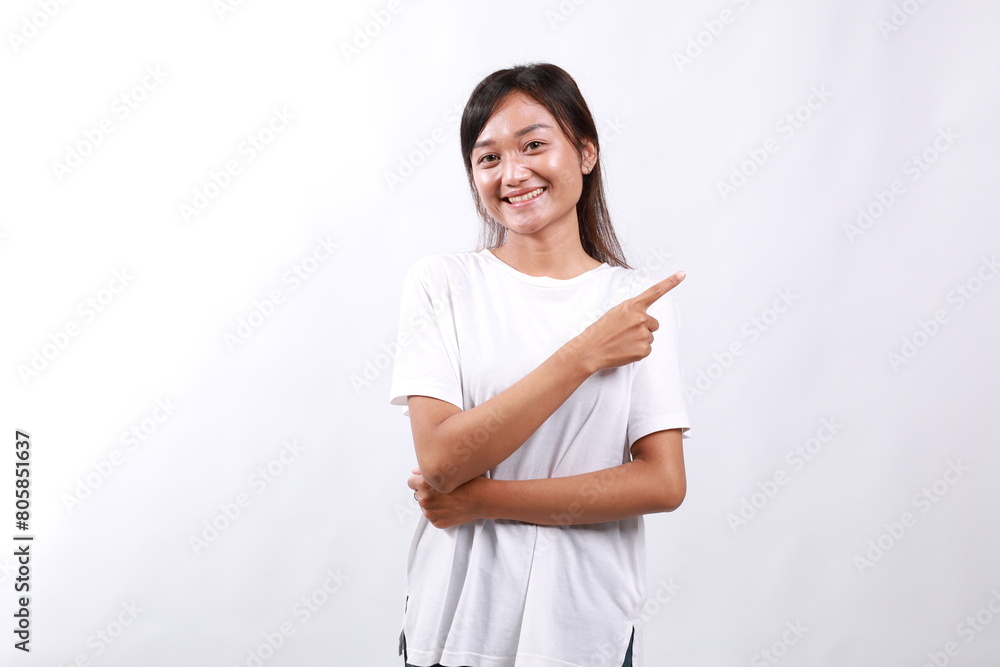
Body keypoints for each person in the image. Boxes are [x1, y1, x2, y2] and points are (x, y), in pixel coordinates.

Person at [389, 62, 690, 667]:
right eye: (488, 157)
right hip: (454, 627)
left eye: (533, 145)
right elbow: (442, 459)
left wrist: (482, 502)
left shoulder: (634, 304)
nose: (513, 172)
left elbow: (662, 483)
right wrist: (583, 355)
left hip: (586, 633)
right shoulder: (443, 284)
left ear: (584, 152)